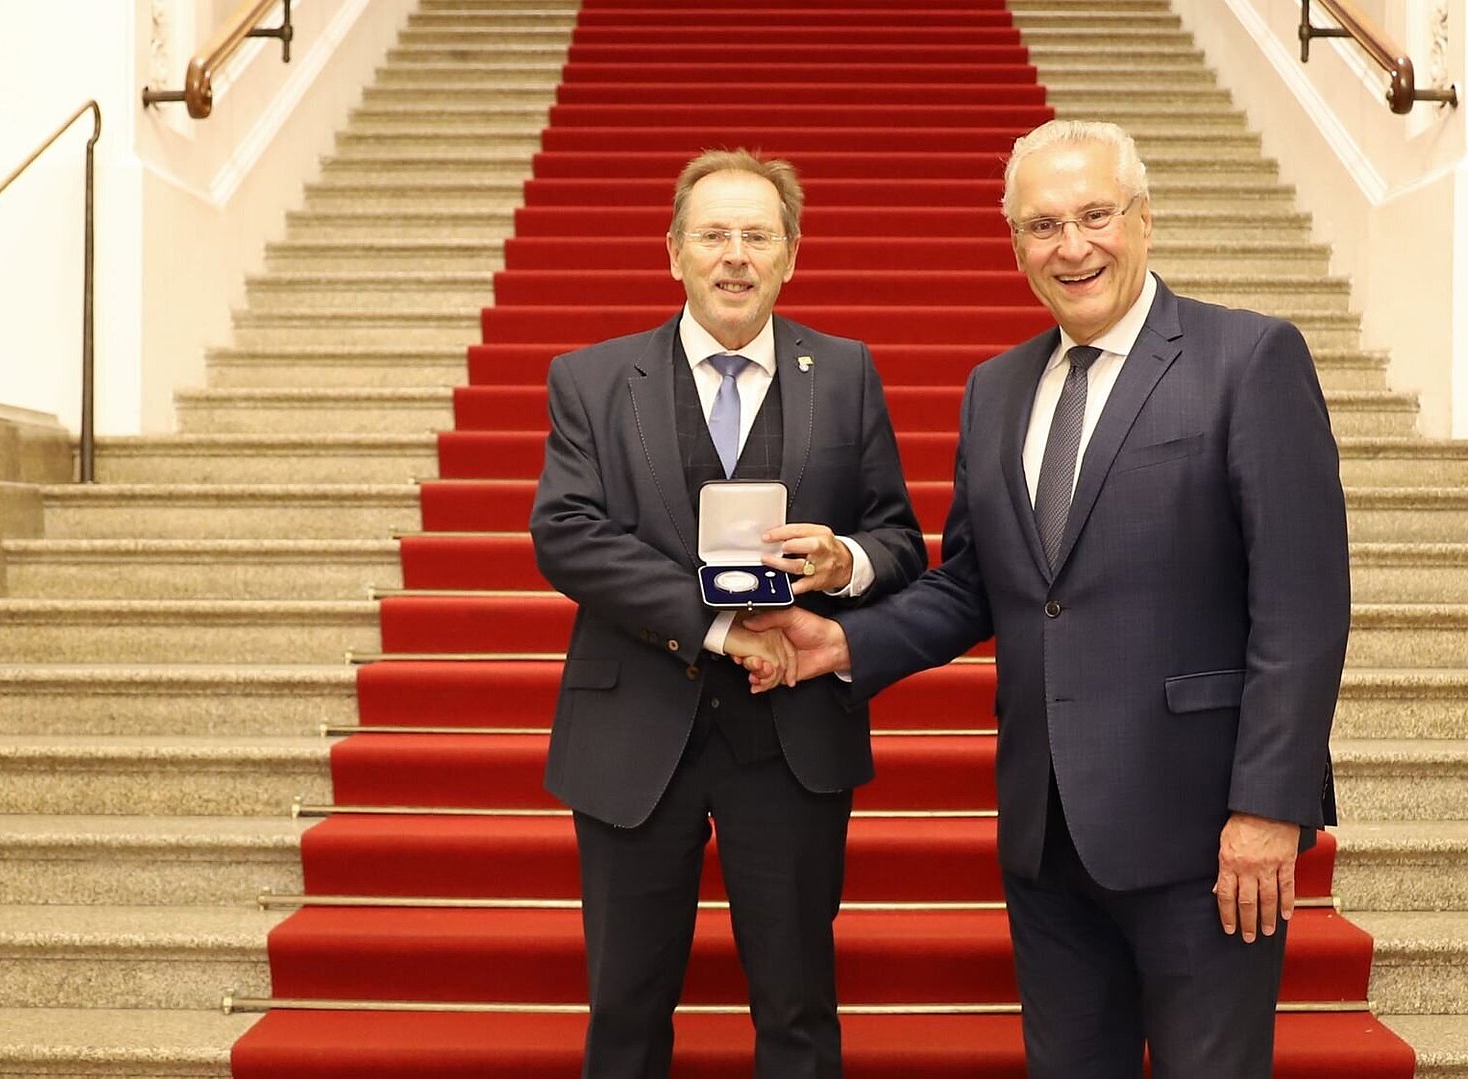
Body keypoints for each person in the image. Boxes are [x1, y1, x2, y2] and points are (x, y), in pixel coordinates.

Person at [746, 120, 1350, 1078]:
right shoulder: (996, 388)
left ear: (1143, 220)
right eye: (1042, 225)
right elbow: (976, 583)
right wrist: (843, 643)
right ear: (1015, 244)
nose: (1072, 247)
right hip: (1045, 832)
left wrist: (1269, 806)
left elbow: (1303, 606)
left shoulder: (1249, 361)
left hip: (1205, 832)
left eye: (1095, 215)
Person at [529, 148, 925, 1079]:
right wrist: (716, 627)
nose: (735, 256)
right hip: (632, 736)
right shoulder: (589, 379)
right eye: (714, 235)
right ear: (674, 252)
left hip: (791, 740)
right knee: (625, 1012)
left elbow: (900, 539)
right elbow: (567, 535)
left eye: (757, 235)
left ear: (790, 254)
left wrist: (845, 562)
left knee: (797, 1010)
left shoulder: (848, 371)